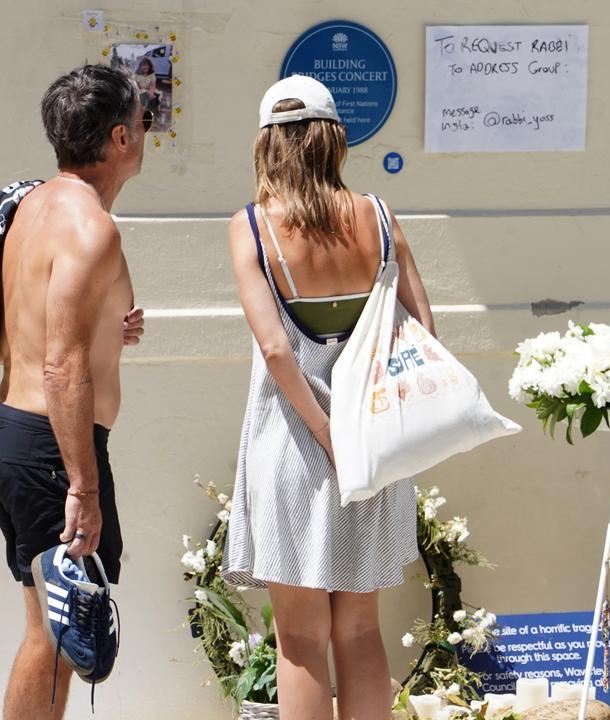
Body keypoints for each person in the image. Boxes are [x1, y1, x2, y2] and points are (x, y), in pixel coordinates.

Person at [220, 75, 430, 720]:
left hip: (293, 443)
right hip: (371, 445)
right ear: (334, 138)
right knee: (360, 631)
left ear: (267, 144)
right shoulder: (380, 217)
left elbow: (279, 352)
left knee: (301, 639)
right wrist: (356, 432)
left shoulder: (253, 227)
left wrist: (323, 432)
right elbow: (421, 328)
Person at [0, 64, 149, 719]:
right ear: (119, 139)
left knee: (51, 626)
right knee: (59, 631)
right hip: (52, 448)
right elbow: (60, 367)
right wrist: (82, 484)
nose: (145, 132)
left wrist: (111, 324)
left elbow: (3, 334)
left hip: (16, 433)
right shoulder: (91, 228)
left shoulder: (31, 208)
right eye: (142, 121)